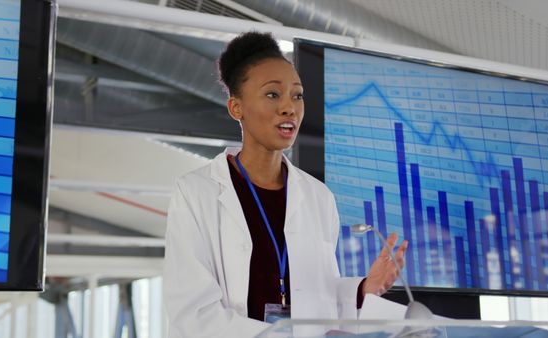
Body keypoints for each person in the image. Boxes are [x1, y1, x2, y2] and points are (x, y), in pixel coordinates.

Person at [163, 31, 408, 338]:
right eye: (272, 94)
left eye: (297, 95)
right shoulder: (196, 192)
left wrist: (361, 290)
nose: (289, 108)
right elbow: (193, 314)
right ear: (236, 108)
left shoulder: (318, 197)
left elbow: (320, 296)